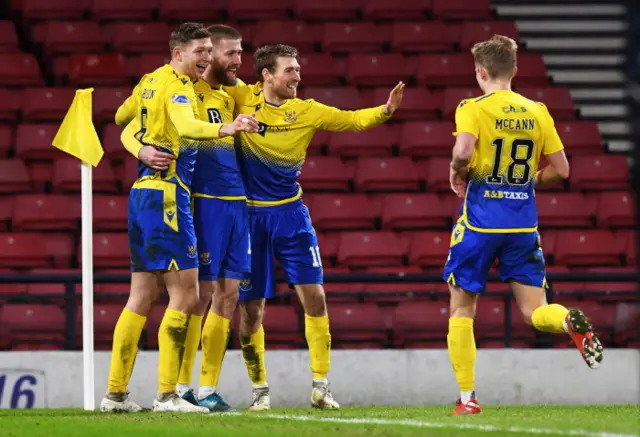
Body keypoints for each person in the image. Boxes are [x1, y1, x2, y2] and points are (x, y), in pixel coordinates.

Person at [223, 44, 405, 411]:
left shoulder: (306, 111)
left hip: (291, 216)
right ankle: (259, 389)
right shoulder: (241, 98)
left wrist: (385, 111)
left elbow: (351, 120)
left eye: (298, 69)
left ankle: (321, 386)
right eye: (289, 70)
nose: (297, 76)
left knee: (316, 298)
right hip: (249, 219)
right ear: (267, 75)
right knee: (251, 310)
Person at [99, 22, 258, 413]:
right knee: (186, 294)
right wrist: (229, 126)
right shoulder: (179, 87)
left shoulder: (149, 81)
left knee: (141, 295)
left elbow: (123, 117)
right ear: (178, 53)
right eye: (199, 51)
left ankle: (115, 395)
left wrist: (139, 147)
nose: (205, 57)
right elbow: (187, 126)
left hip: (143, 194)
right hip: (170, 196)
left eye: (209, 50)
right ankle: (168, 395)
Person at [443, 34, 604, 416]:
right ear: (514, 70)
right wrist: (528, 181)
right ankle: (567, 319)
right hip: (523, 226)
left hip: (480, 226)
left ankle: (467, 400)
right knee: (536, 311)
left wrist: (456, 171)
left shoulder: (472, 107)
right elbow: (562, 170)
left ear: (480, 71)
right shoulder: (537, 111)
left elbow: (463, 151)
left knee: (462, 309)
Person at [173, 24, 249, 413]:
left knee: (229, 295)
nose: (238, 61)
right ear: (207, 55)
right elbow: (132, 118)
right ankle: (181, 386)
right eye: (230, 54)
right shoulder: (184, 92)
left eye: (240, 53)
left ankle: (207, 388)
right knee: (199, 297)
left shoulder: (233, 95)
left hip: (238, 203)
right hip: (205, 202)